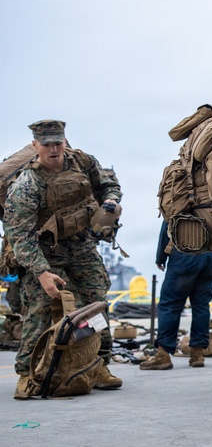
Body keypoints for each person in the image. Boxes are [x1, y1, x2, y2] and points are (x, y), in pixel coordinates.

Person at [4, 120, 124, 398]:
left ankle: (100, 364)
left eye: (58, 142)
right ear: (35, 146)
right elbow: (19, 236)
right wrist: (42, 273)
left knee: (96, 304)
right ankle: (26, 374)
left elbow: (109, 185)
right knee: (41, 309)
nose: (54, 149)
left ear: (65, 140)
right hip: (44, 253)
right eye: (47, 144)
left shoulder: (82, 162)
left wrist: (112, 202)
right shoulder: (26, 185)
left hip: (82, 247)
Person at [139, 221, 212, 370]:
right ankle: (197, 354)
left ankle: (163, 355)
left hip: (184, 255)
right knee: (201, 305)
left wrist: (161, 257)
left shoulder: (178, 198)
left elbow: (166, 228)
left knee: (170, 305)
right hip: (210, 258)